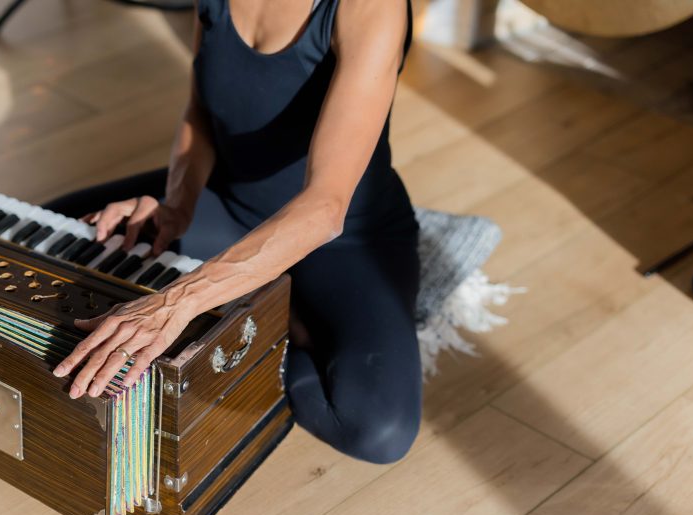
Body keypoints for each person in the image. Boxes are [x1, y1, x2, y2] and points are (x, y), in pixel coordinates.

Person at [50, 0, 420, 464]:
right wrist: (177, 207)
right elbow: (200, 112)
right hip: (227, 205)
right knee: (52, 229)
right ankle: (263, 302)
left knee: (375, 428)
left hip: (346, 240)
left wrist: (177, 301)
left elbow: (325, 208)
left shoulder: (370, 8)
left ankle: (281, 325)